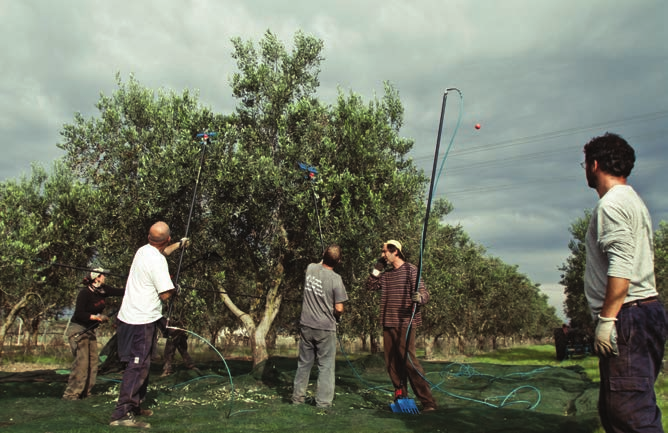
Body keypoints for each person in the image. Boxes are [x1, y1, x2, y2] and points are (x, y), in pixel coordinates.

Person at [582, 132, 667, 433]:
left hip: (627, 315)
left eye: (585, 163)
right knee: (617, 410)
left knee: (631, 415)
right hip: (642, 313)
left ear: (594, 165)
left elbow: (620, 265)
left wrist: (606, 320)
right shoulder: (633, 201)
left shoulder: (611, 205)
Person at [109, 221, 188, 429]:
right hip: (141, 321)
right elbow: (165, 295)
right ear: (167, 239)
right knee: (137, 367)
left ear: (149, 237)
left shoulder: (143, 251)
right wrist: (176, 288)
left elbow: (162, 252)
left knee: (142, 364)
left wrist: (180, 244)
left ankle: (136, 406)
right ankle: (121, 414)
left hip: (130, 317)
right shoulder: (157, 262)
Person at [366, 240, 437, 413]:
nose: (382, 255)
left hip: (405, 322)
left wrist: (419, 298)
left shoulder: (411, 270)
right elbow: (370, 286)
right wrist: (377, 268)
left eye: (384, 252)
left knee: (409, 362)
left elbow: (425, 293)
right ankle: (401, 398)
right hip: (388, 321)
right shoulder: (387, 274)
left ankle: (428, 402)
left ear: (394, 251)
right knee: (391, 364)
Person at [292, 244, 348, 408]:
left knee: (304, 364)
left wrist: (325, 255)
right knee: (326, 366)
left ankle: (297, 399)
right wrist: (337, 317)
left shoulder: (310, 269)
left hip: (306, 325)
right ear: (339, 261)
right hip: (325, 327)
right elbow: (339, 308)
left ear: (323, 254)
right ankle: (323, 403)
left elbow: (319, 263)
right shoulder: (336, 279)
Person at [62, 268, 124, 400]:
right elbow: (79, 314)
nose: (105, 277)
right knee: (82, 362)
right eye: (103, 275)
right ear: (97, 278)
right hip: (78, 330)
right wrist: (97, 317)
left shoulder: (103, 290)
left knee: (93, 362)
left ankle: (86, 392)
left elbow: (122, 291)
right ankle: (71, 394)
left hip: (90, 330)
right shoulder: (84, 293)